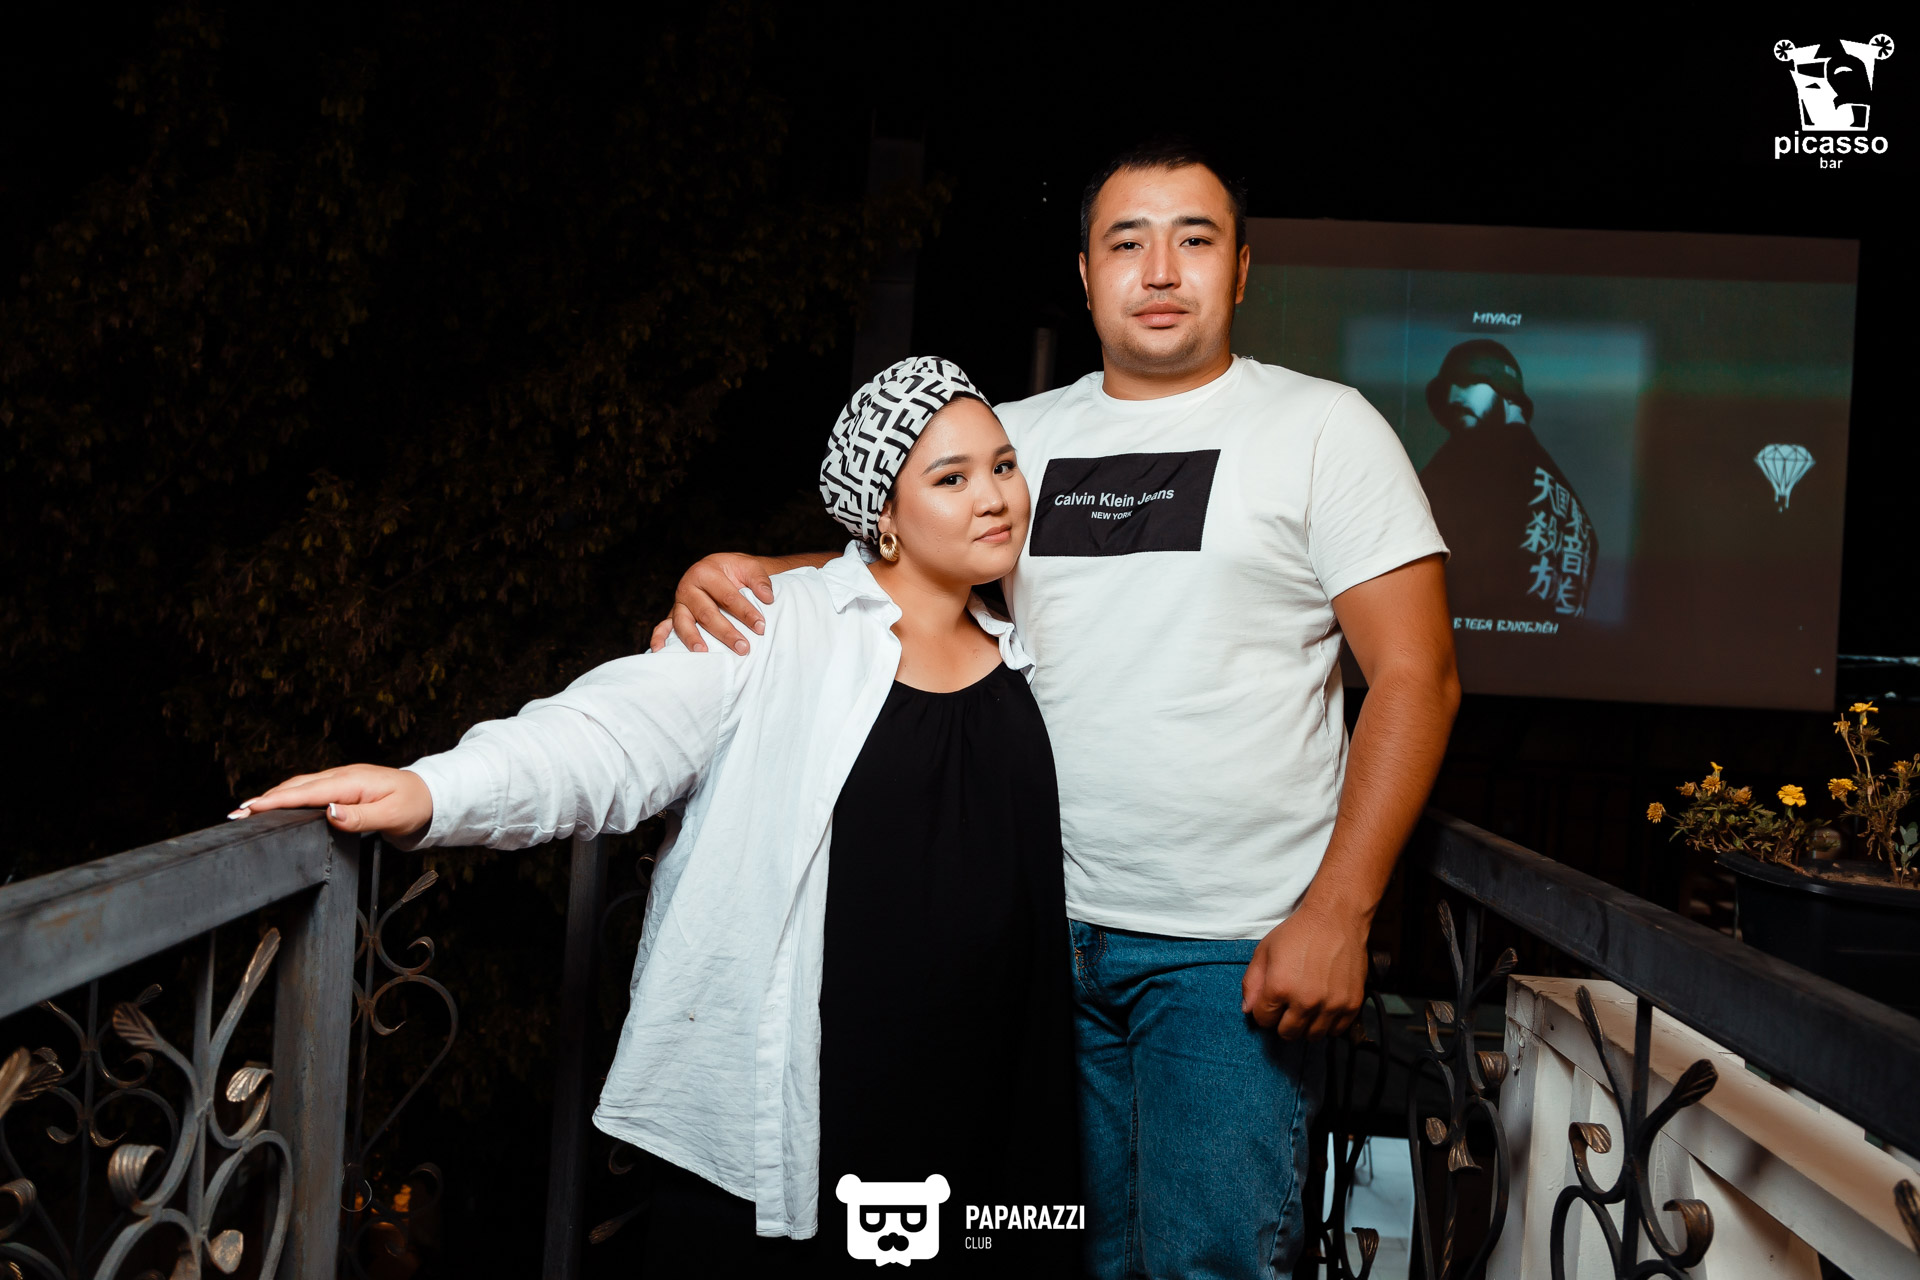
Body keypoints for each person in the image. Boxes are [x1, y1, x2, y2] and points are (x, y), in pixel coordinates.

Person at [654, 138, 1462, 1278]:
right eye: (1127, 243)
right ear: (1085, 275)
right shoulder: (1017, 439)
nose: (1160, 270)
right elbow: (903, 565)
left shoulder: (1325, 430)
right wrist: (752, 575)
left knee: (1209, 1264)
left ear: (1241, 270)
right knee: (1043, 1256)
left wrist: (1339, 909)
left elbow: (1418, 675)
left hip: (1228, 954)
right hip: (1026, 936)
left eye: (1195, 239)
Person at [229, 357, 1081, 1275]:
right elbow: (609, 738)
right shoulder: (781, 628)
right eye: (950, 478)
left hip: (989, 1085)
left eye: (1002, 465)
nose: (993, 496)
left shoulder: (1020, 638)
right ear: (884, 515)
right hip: (824, 1094)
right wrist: (430, 791)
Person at [1417, 338, 1597, 623]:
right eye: (1447, 389)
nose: (1452, 398)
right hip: (1547, 652)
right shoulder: (1570, 503)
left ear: (1507, 392)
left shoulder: (1463, 463)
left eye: (1466, 382)